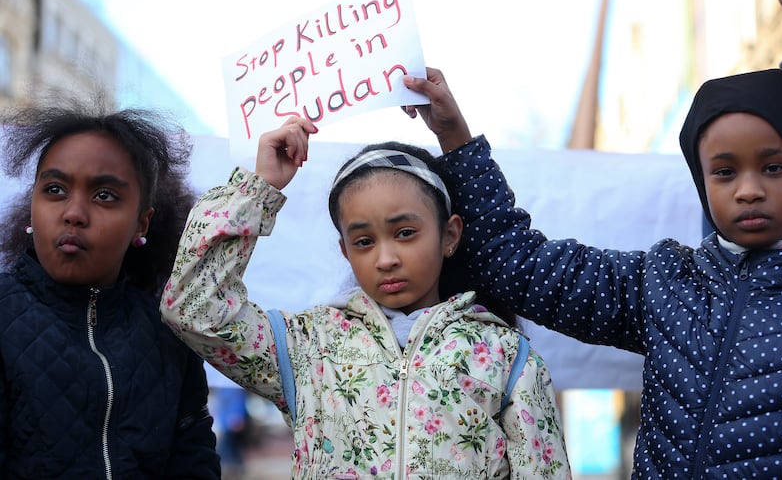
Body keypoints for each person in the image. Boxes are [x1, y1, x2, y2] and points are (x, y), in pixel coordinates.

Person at [401, 67, 782, 479]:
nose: (749, 190)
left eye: (773, 167)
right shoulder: (665, 283)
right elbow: (516, 262)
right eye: (725, 172)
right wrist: (453, 134)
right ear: (701, 178)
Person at [159, 116, 571, 478]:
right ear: (345, 251)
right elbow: (194, 308)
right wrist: (258, 189)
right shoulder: (307, 348)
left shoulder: (507, 358)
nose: (386, 259)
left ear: (449, 235)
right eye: (364, 241)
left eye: (405, 233)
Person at [0, 102, 221, 478]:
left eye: (104, 196)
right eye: (55, 189)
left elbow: (193, 459)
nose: (73, 213)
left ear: (141, 223)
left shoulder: (169, 334)